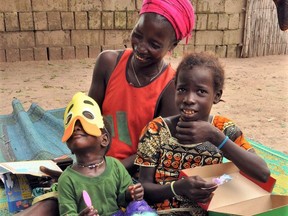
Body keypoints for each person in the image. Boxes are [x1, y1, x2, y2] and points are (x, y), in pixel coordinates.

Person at [134, 52, 271, 215]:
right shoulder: (156, 130)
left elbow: (263, 174)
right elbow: (144, 190)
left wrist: (217, 138)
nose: (189, 99)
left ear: (217, 95)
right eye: (182, 89)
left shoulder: (223, 128)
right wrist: (177, 188)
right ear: (175, 88)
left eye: (200, 92)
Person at [88, 0, 195, 175]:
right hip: (93, 160)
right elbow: (88, 119)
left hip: (135, 172)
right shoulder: (108, 63)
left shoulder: (171, 87)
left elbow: (157, 150)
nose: (141, 47)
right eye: (138, 34)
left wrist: (109, 170)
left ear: (172, 46)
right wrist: (84, 159)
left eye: (154, 45)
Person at [58, 92, 144, 216]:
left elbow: (123, 200)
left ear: (104, 139)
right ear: (69, 145)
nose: (76, 129)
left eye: (82, 125)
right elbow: (67, 213)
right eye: (73, 128)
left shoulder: (115, 166)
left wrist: (130, 194)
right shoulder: (67, 180)